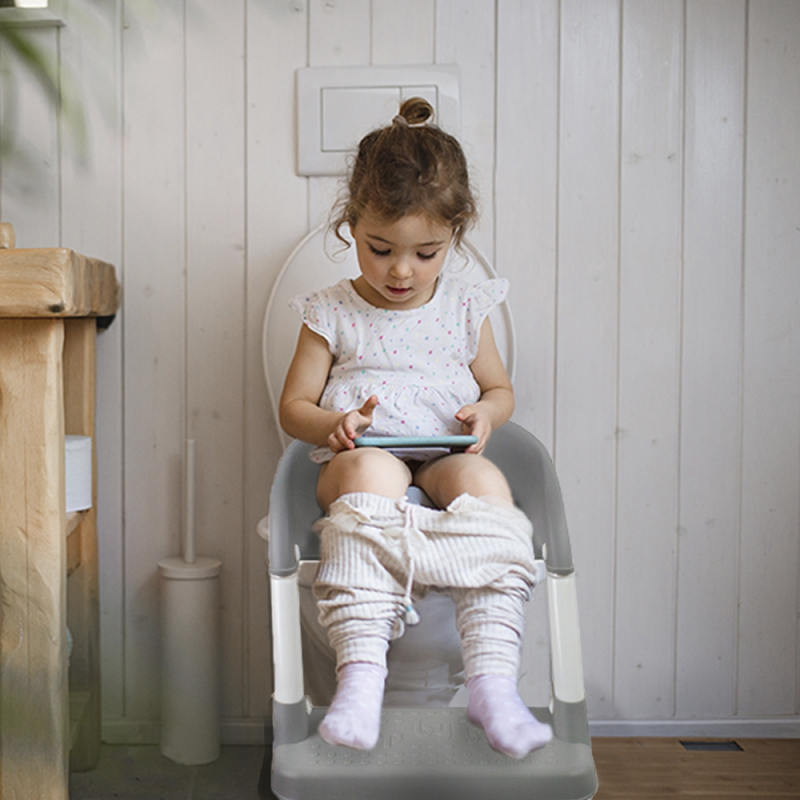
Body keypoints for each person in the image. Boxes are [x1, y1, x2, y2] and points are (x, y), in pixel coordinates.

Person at [279, 97, 552, 759]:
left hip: (442, 456)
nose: (402, 270)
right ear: (352, 226)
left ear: (455, 237)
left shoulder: (464, 307)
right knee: (374, 473)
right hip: (365, 457)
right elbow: (293, 407)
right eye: (381, 249)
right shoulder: (331, 311)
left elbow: (499, 388)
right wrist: (337, 423)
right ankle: (361, 677)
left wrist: (486, 414)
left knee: (487, 484)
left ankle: (491, 683)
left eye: (426, 252)